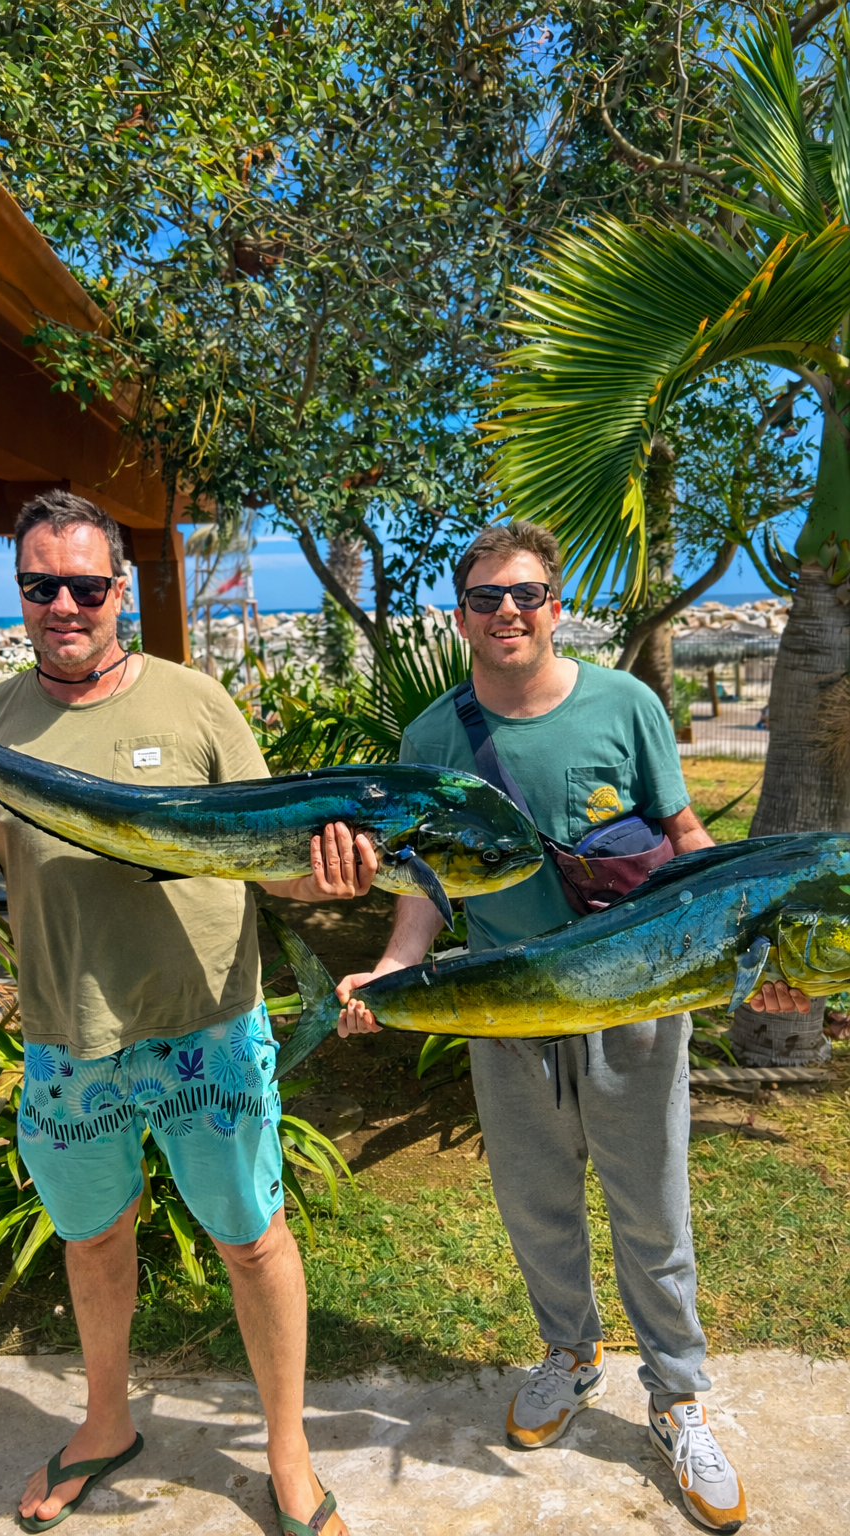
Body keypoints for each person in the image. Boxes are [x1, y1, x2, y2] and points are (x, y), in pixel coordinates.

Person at [0, 490, 372, 1536]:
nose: (64, 604)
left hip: (211, 1028)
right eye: (42, 585)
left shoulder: (197, 703)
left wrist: (333, 878)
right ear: (21, 595)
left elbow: (276, 867)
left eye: (85, 584)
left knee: (253, 1241)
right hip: (72, 1042)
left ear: (120, 591)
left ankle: (287, 1450)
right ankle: (105, 1422)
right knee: (95, 1240)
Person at [336, 522, 809, 1535]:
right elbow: (425, 890)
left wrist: (748, 948)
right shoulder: (432, 738)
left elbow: (688, 844)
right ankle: (568, 1355)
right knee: (535, 1203)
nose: (508, 612)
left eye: (528, 595)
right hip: (507, 1006)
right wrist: (391, 970)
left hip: (636, 1003)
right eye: (486, 598)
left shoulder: (626, 704)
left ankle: (678, 1395)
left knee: (650, 1207)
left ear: (555, 605)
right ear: (460, 614)